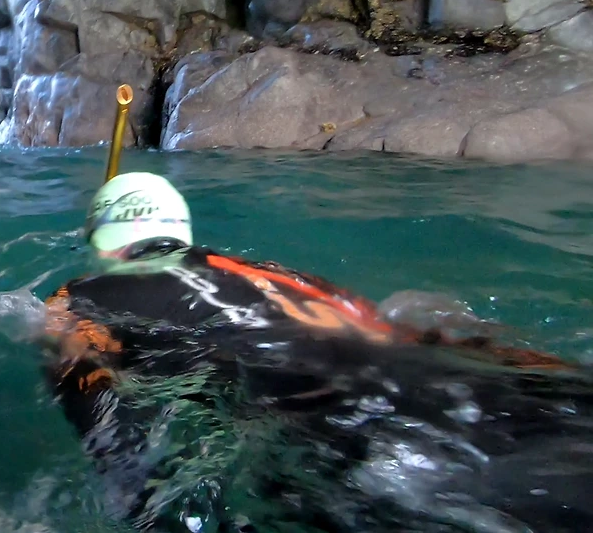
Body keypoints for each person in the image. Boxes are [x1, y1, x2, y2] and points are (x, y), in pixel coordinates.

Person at [43, 172, 593, 533]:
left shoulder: (79, 297)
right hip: (482, 389)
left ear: (101, 245)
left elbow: (93, 398)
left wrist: (142, 505)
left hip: (355, 436)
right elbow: (413, 335)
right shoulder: (290, 279)